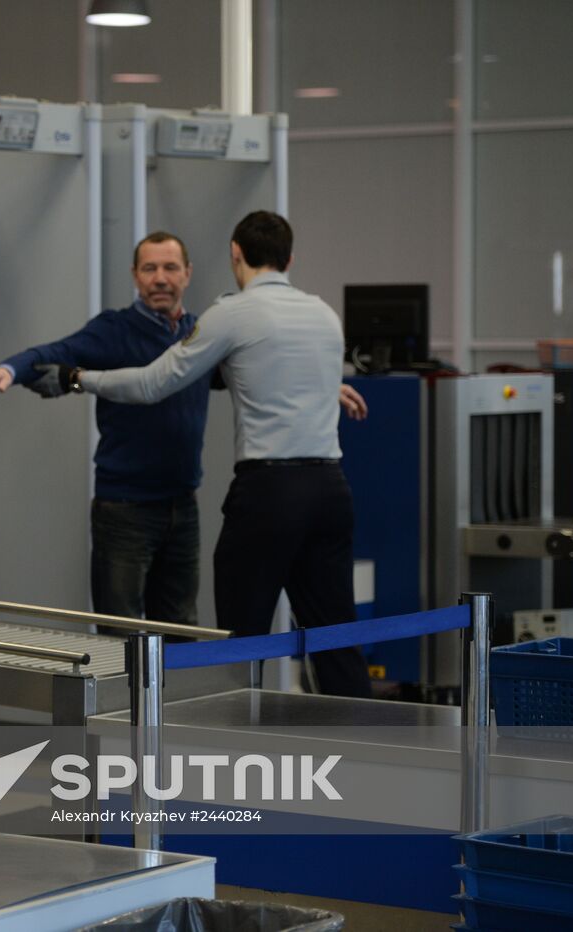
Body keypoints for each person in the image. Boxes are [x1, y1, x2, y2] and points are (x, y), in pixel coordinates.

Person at [39, 211, 372, 698]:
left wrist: (77, 377)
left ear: (235, 254)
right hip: (330, 491)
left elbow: (153, 382)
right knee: (336, 635)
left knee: (239, 639)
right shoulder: (323, 314)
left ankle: (238, 755)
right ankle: (364, 756)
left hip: (268, 495)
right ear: (290, 259)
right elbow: (280, 371)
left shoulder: (232, 314)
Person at [0, 232, 207, 624]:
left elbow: (247, 370)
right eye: (149, 269)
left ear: (188, 273)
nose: (160, 278)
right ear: (135, 275)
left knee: (180, 628)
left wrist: (320, 386)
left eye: (170, 268)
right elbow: (54, 353)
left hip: (183, 508)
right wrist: (8, 369)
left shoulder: (200, 335)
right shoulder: (115, 329)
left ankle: (175, 691)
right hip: (125, 510)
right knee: (122, 633)